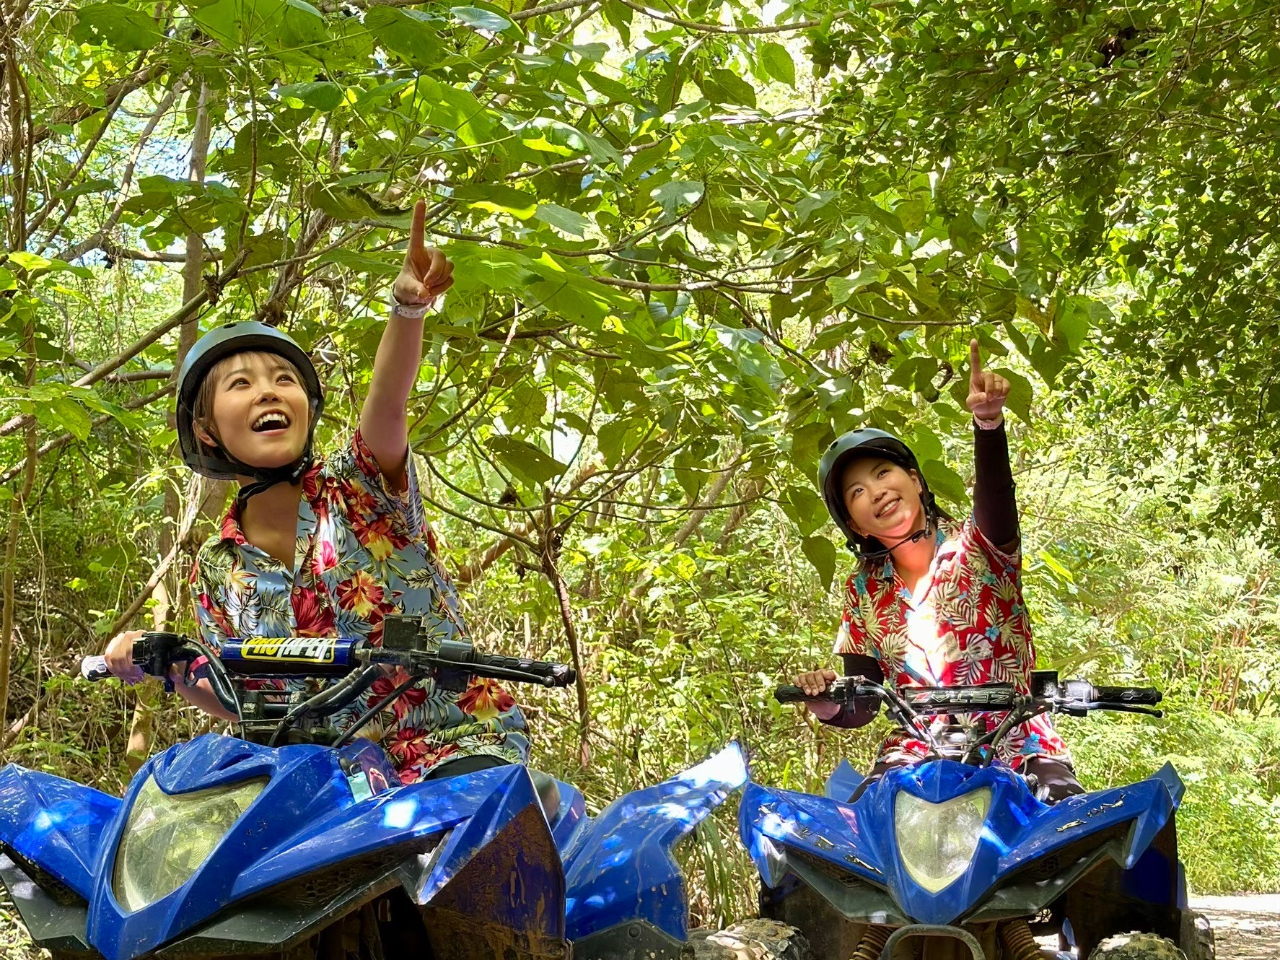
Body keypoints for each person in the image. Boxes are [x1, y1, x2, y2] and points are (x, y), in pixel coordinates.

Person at [103, 200, 529, 784]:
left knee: (468, 826)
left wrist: (408, 310)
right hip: (327, 784)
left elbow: (388, 402)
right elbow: (237, 694)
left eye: (285, 380)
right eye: (241, 384)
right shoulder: (218, 568)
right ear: (206, 429)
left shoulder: (361, 484)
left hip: (453, 747)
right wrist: (161, 661)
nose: (268, 392)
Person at [793, 340, 1083, 803]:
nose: (876, 491)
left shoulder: (981, 546)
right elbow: (864, 699)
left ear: (915, 480)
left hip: (1018, 743)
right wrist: (825, 701)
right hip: (915, 753)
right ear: (855, 524)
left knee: (1074, 824)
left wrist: (988, 425)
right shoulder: (863, 590)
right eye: (857, 491)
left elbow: (996, 498)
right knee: (853, 831)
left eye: (883, 473)